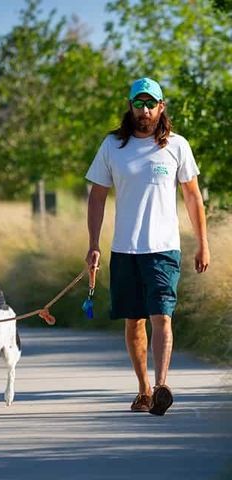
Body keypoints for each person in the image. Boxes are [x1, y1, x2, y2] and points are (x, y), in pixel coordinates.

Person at [85, 77, 210, 416]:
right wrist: (93, 245)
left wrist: (203, 244)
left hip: (163, 249)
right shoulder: (112, 146)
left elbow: (192, 196)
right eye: (138, 104)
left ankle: (160, 387)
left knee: (162, 316)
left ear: (161, 107)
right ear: (130, 106)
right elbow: (97, 197)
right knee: (134, 321)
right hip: (125, 249)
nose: (144, 110)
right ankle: (142, 389)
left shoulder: (177, 146)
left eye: (150, 104)